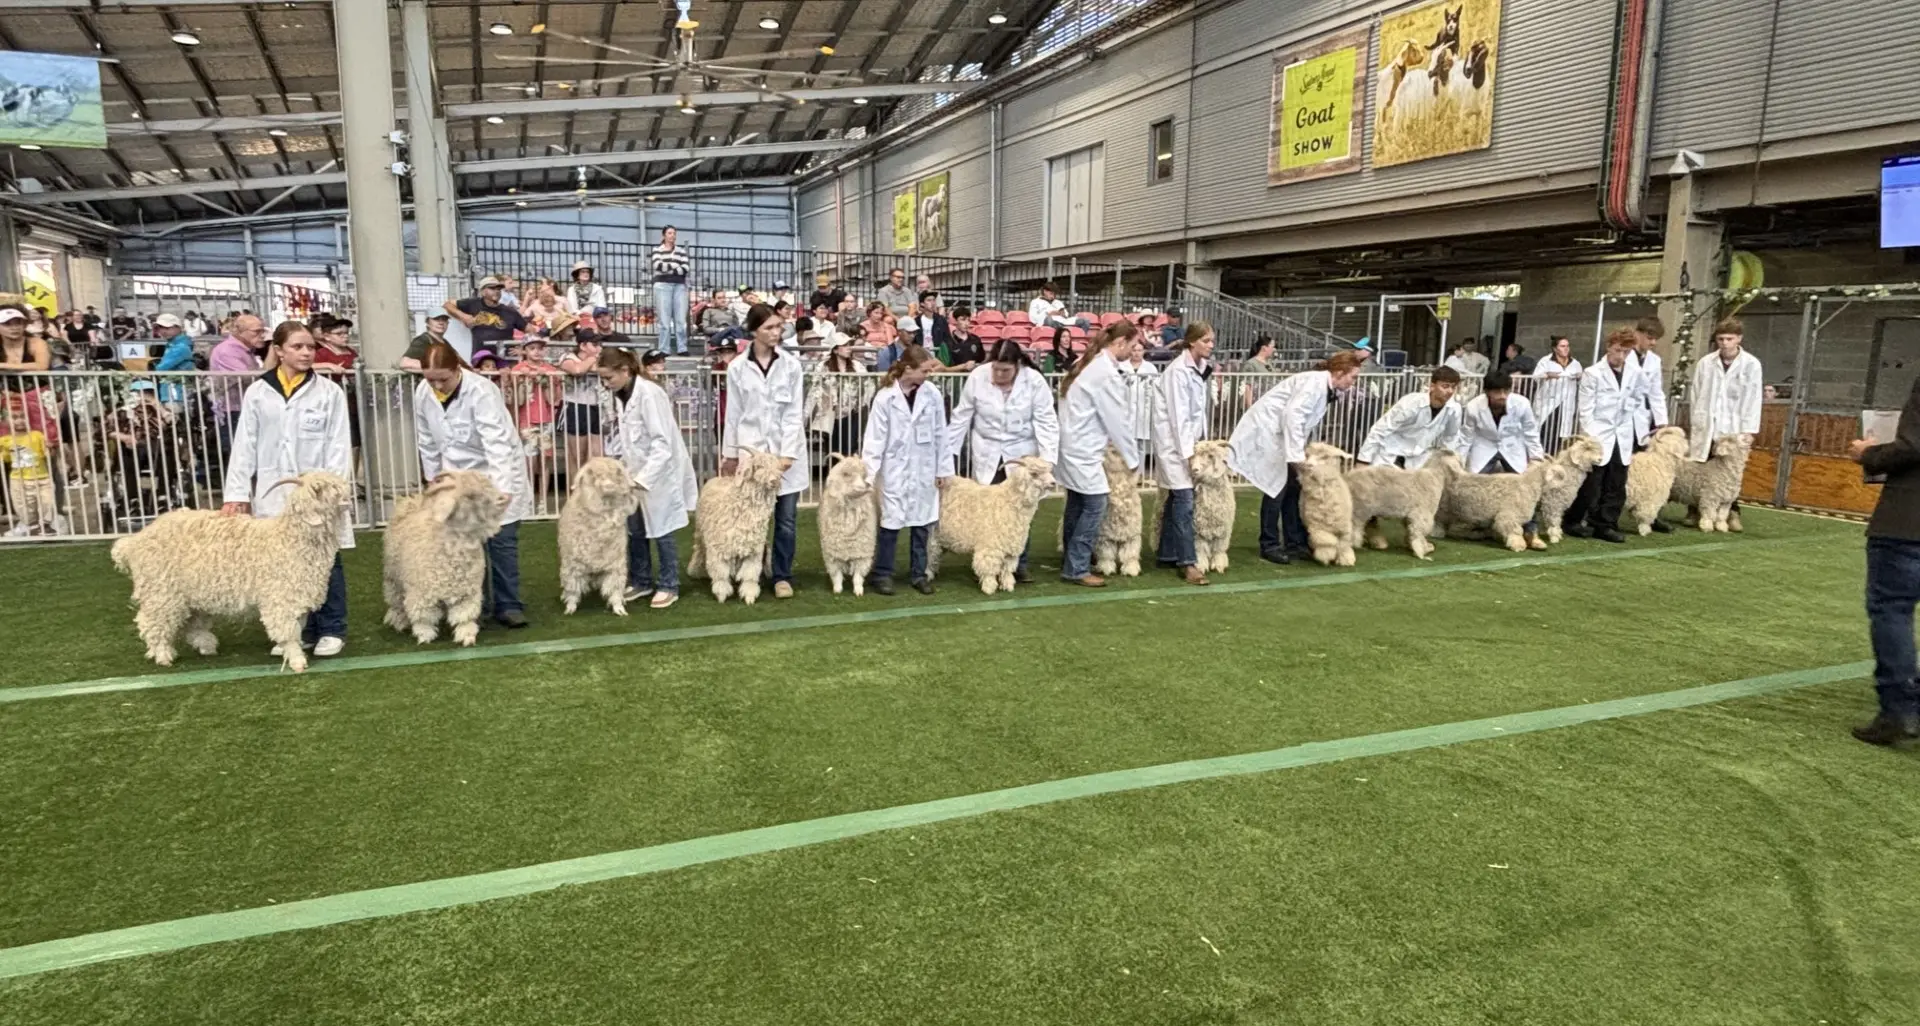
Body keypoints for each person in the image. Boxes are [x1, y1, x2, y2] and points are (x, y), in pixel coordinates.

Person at [222, 320, 355, 656]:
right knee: (281, 563)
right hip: (273, 490)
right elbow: (244, 445)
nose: (307, 353)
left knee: (326, 559)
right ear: (278, 351)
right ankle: (296, 628)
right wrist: (236, 494)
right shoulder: (258, 392)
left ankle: (332, 627)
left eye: (310, 346)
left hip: (317, 494)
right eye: (298, 347)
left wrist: (332, 492)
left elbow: (338, 445)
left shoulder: (329, 392)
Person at [414, 341, 535, 628]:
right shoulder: (423, 393)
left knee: (500, 540)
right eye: (430, 379)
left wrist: (503, 488)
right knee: (459, 542)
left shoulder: (481, 391)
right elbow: (426, 439)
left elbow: (497, 442)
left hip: (492, 472)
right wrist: (434, 478)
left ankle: (507, 604)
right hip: (455, 476)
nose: (437, 386)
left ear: (457, 369)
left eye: (443, 379)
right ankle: (467, 603)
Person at [1231, 349, 1366, 564]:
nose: (1353, 382)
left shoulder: (1323, 386)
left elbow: (1300, 421)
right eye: (1353, 376)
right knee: (1275, 489)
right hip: (1269, 434)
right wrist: (1296, 456)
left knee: (1293, 488)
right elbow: (1293, 416)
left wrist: (1298, 451)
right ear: (1340, 372)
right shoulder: (1315, 383)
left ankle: (1295, 542)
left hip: (1281, 437)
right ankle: (1270, 544)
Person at [946, 338, 1059, 583]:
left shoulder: (1034, 381)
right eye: (996, 368)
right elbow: (961, 417)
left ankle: (1018, 563)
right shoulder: (978, 376)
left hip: (1022, 453)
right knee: (989, 510)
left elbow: (1046, 420)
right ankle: (987, 560)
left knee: (1022, 507)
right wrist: (947, 457)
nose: (999, 374)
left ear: (1017, 365)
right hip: (987, 449)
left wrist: (1048, 458)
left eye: (1005, 370)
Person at [1850, 372, 1920, 745]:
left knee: (1892, 608)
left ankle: (1899, 709)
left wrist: (1870, 454)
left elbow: (1913, 446)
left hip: (1910, 518)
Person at [722, 303, 808, 598]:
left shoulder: (791, 366)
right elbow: (733, 414)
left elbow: (794, 414)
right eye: (769, 327)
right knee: (750, 517)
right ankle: (750, 570)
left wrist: (787, 455)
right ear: (754, 331)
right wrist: (731, 455)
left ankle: (782, 575)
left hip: (785, 454)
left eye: (778, 326)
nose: (776, 332)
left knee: (786, 518)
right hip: (752, 452)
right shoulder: (736, 367)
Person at [602, 348, 697, 610]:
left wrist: (644, 478)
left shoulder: (650, 394)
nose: (606, 384)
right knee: (636, 528)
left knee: (662, 528)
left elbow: (662, 443)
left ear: (624, 371)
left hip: (659, 472)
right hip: (635, 471)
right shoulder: (623, 395)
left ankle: (669, 584)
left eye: (609, 378)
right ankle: (641, 580)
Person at [1056, 321, 1144, 587]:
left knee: (1077, 503)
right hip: (1083, 448)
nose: (1133, 351)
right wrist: (1133, 458)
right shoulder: (1103, 372)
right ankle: (1077, 566)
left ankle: (1071, 558)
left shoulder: (1087, 363)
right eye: (1132, 345)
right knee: (1096, 505)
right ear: (1120, 343)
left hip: (1073, 445)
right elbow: (1116, 420)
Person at [862, 344, 953, 596]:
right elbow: (874, 439)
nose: (928, 375)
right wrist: (868, 474)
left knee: (922, 524)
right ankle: (882, 574)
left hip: (924, 466)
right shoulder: (885, 397)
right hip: (895, 467)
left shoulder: (931, 393)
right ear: (909, 369)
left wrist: (942, 470)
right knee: (890, 523)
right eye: (924, 370)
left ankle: (919, 574)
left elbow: (940, 433)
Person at [1151, 322, 1217, 585]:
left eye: (1212, 341)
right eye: (1207, 341)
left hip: (1191, 443)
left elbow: (1198, 412)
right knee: (1184, 501)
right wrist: (1190, 454)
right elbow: (1179, 417)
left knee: (1175, 498)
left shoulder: (1199, 369)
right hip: (1174, 445)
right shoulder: (1178, 372)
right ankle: (1187, 561)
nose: (1211, 345)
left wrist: (1203, 444)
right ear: (1192, 342)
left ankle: (1167, 553)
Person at [1564, 328, 1641, 543]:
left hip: (1622, 433)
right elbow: (1586, 410)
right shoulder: (1593, 373)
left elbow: (1636, 399)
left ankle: (1606, 524)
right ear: (1609, 347)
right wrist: (1591, 439)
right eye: (1618, 350)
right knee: (1591, 484)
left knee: (1616, 482)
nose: (1621, 356)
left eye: (1626, 352)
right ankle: (1574, 520)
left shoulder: (1634, 372)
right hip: (1598, 434)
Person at [1456, 369, 1548, 547]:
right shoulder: (1474, 406)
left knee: (1526, 489)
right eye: (1497, 392)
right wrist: (1459, 460)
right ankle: (1480, 527)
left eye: (1506, 391)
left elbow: (1531, 431)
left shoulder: (1522, 403)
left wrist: (1537, 458)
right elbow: (1466, 436)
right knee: (1475, 485)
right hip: (1484, 445)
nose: (1502, 396)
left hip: (1512, 445)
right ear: (1487, 392)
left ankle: (1531, 531)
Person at [1686, 318, 1764, 522]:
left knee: (1730, 471)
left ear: (1739, 338)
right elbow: (1696, 393)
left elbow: (1754, 398)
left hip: (1733, 427)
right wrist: (1697, 419)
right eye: (1720, 339)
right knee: (1700, 468)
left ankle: (1732, 511)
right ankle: (1694, 509)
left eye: (1729, 338)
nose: (1724, 343)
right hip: (1708, 424)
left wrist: (1748, 430)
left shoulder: (1751, 365)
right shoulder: (1705, 363)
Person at [1358, 366, 1463, 469]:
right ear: (1432, 386)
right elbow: (1380, 430)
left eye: (1453, 387)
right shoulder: (1411, 403)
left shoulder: (1454, 409)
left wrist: (1448, 461)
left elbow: (1451, 437)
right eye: (1445, 386)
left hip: (1417, 461)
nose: (1450, 391)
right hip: (1390, 456)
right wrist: (1363, 460)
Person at [506, 337, 562, 511]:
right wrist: (524, 380)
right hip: (526, 420)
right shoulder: (518, 369)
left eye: (540, 348)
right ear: (525, 350)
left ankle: (543, 501)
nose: (537, 351)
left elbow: (553, 399)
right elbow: (517, 400)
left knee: (545, 459)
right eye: (532, 348)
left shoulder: (550, 370)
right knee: (529, 461)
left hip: (546, 420)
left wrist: (544, 381)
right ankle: (529, 499)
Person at [807, 338, 870, 460]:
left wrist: (860, 402)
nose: (849, 348)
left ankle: (847, 476)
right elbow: (816, 387)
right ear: (835, 349)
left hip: (851, 412)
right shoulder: (823, 366)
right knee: (832, 449)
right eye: (844, 345)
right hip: (830, 413)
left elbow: (867, 384)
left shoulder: (857, 366)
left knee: (849, 448)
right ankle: (832, 475)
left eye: (849, 345)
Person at [3, 396, 56, 536]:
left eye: (23, 416)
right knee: (23, 504)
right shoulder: (5, 440)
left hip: (41, 477)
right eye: (14, 417)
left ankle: (45, 524)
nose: (19, 420)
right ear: (6, 420)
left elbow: (47, 454)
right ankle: (32, 525)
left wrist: (50, 448)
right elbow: (5, 458)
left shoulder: (37, 435)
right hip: (18, 479)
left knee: (48, 500)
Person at [559, 335, 607, 476]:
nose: (599, 348)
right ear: (582, 345)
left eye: (599, 344)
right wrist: (592, 359)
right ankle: (573, 493)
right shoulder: (568, 357)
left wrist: (591, 364)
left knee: (596, 455)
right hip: (575, 406)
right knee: (577, 456)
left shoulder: (600, 359)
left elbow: (602, 370)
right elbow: (577, 370)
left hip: (595, 406)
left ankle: (591, 492)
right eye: (594, 344)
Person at [1630, 316, 1671, 471]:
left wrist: (1662, 421)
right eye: (1649, 338)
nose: (1653, 343)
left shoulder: (1654, 360)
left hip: (1641, 417)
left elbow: (1656, 392)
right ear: (1637, 334)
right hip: (1621, 416)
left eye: (1655, 339)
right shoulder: (1623, 355)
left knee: (1639, 459)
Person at [444, 277, 528, 353]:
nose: (497, 291)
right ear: (483, 292)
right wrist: (463, 316)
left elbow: (531, 331)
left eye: (499, 288)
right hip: (481, 359)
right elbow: (447, 304)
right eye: (492, 288)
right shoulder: (473, 304)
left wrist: (523, 349)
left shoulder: (510, 311)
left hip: (505, 361)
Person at [648, 226, 691, 356]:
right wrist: (675, 267)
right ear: (664, 235)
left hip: (679, 286)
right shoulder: (657, 250)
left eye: (674, 233)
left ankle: (682, 348)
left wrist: (668, 268)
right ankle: (663, 349)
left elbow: (686, 268)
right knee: (664, 320)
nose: (672, 235)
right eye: (670, 233)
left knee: (681, 319)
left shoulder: (681, 251)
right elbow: (657, 265)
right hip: (662, 285)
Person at [1118, 334, 1160, 464]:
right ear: (1130, 351)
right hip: (1126, 408)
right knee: (1126, 443)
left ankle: (1140, 474)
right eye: (1134, 350)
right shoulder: (1121, 367)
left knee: (1141, 444)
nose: (1136, 353)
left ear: (1144, 352)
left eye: (1139, 350)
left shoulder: (1150, 368)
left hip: (1143, 409)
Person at [1532, 335, 1582, 440]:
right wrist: (1547, 375)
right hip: (1549, 401)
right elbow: (1536, 377)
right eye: (1562, 346)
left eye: (1567, 346)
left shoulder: (1575, 363)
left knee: (1561, 434)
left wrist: (1579, 377)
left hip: (1566, 402)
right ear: (1555, 348)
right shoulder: (1545, 361)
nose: (1566, 348)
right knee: (1545, 429)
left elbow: (1582, 380)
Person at [942, 306, 984, 372]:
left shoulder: (976, 340)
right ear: (955, 321)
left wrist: (975, 365)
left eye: (968, 320)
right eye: (963, 320)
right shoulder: (947, 342)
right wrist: (963, 367)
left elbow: (981, 361)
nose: (967, 323)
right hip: (954, 379)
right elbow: (943, 367)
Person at [864, 302, 902, 370]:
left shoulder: (887, 326)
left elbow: (890, 344)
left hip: (883, 353)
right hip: (867, 355)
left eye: (881, 313)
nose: (879, 316)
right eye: (876, 313)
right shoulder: (863, 326)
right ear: (869, 313)